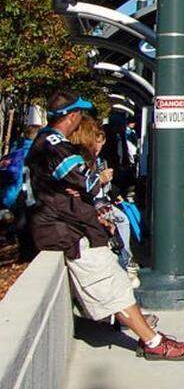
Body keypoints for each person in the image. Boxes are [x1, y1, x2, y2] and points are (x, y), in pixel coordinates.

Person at [25, 91, 184, 360]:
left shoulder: (45, 141)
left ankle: (146, 335)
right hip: (69, 233)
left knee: (117, 285)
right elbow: (88, 183)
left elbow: (80, 187)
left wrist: (82, 194)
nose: (82, 118)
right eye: (80, 113)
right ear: (71, 116)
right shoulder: (55, 144)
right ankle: (153, 343)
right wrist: (86, 188)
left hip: (68, 227)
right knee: (114, 289)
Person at [70, 116, 136, 276]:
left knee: (121, 219)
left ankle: (125, 258)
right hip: (92, 207)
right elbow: (83, 188)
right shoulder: (80, 161)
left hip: (101, 202)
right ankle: (124, 261)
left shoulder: (99, 160)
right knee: (118, 222)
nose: (99, 147)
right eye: (97, 143)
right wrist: (100, 180)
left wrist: (109, 188)